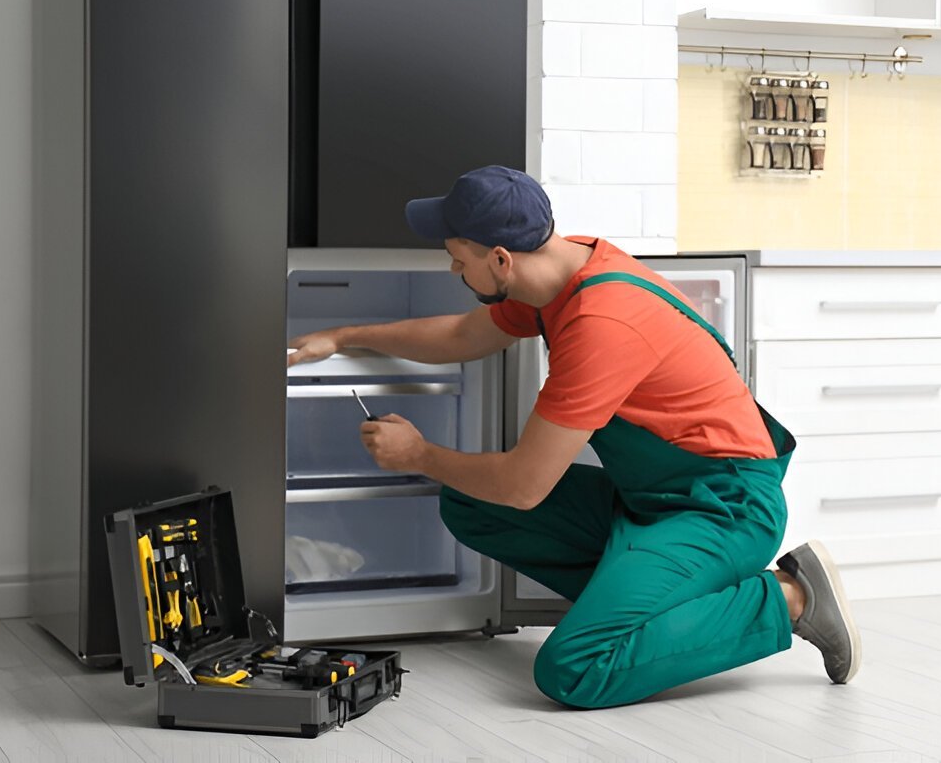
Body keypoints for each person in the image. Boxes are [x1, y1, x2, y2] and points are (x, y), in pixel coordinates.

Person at [287, 165, 861, 708]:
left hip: (723, 511)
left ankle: (790, 599)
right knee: (469, 505)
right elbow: (464, 334)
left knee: (576, 667)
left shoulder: (599, 324)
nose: (453, 273)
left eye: (458, 259)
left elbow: (523, 486)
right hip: (649, 503)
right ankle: (644, 603)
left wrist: (419, 454)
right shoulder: (564, 269)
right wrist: (342, 335)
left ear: (502, 258)